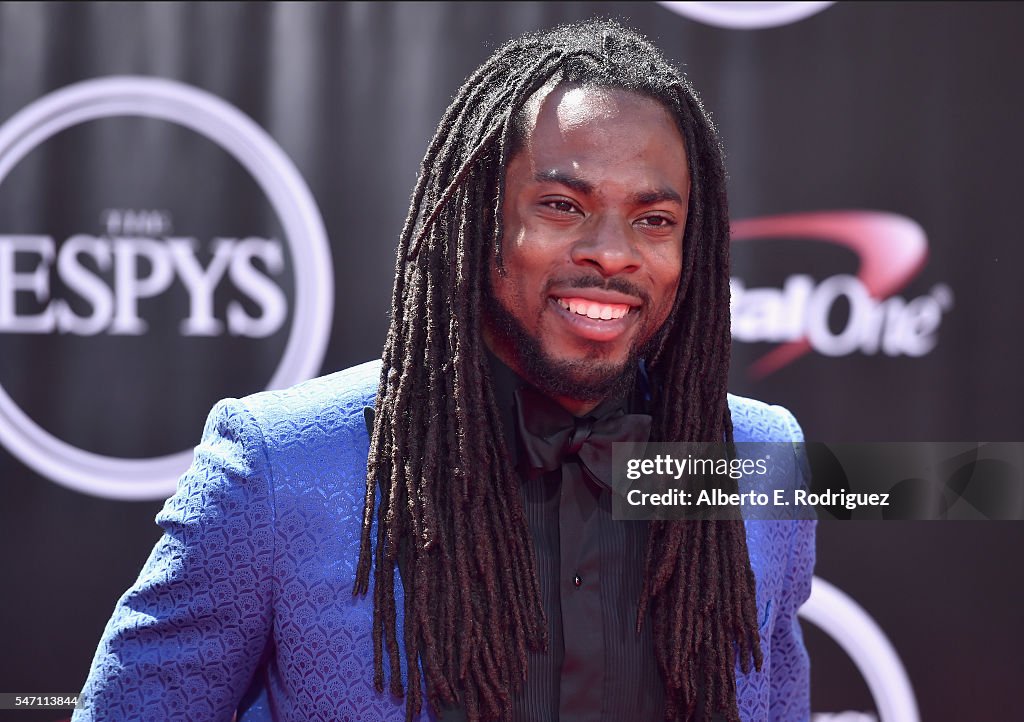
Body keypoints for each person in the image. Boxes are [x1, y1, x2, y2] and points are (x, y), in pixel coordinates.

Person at [73, 19, 814, 722]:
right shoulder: (278, 466)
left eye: (655, 220)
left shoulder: (758, 459)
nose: (613, 252)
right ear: (476, 221)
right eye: (561, 204)